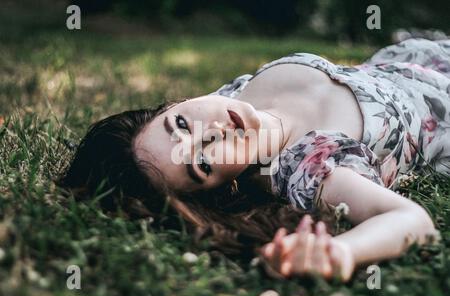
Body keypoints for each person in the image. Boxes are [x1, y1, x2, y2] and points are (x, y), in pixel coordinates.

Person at [58, 38, 450, 281]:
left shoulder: (233, 93)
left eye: (180, 123)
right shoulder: (307, 165)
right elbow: (415, 222)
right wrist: (343, 252)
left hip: (420, 58)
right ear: (224, 185)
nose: (211, 134)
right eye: (202, 164)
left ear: (175, 104)